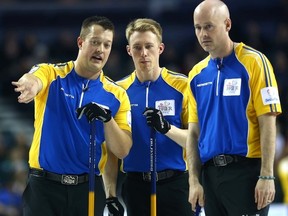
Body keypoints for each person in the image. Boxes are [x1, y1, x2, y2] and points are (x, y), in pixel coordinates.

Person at [11, 16, 132, 216]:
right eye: (95, 42)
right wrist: (30, 85)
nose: (100, 49)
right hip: (44, 188)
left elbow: (122, 150)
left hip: (88, 190)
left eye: (106, 45)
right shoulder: (52, 74)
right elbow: (33, 77)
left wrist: (107, 119)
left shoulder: (117, 95)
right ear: (80, 42)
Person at [186, 1, 282, 216]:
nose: (203, 34)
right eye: (198, 28)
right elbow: (193, 133)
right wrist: (194, 181)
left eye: (209, 26)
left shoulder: (255, 62)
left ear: (227, 24)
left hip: (246, 173)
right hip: (209, 176)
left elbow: (268, 121)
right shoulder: (196, 74)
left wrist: (267, 175)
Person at [105, 18, 194, 216]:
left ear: (160, 48)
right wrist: (110, 195)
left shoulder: (183, 86)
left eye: (149, 46)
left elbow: (196, 140)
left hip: (176, 184)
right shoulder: (118, 91)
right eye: (137, 47)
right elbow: (111, 152)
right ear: (129, 50)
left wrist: (166, 128)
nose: (143, 53)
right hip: (135, 186)